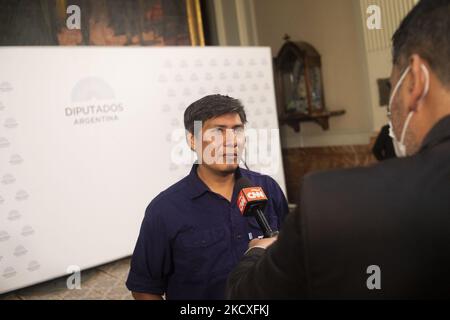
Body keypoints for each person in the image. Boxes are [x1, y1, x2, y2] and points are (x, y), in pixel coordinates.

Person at [226, 0, 450, 299]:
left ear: (415, 82)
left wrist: (255, 255)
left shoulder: (333, 203)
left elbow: (246, 300)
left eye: (394, 83)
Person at [126, 94, 288, 299]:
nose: (231, 141)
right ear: (192, 140)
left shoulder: (267, 188)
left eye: (237, 130)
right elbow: (144, 288)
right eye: (218, 131)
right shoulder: (164, 210)